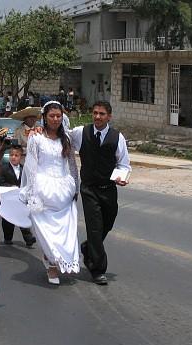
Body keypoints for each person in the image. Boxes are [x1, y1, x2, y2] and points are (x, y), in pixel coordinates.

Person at [69, 100, 131, 285]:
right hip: (89, 189)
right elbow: (62, 138)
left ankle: (88, 248)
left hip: (108, 189)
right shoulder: (81, 132)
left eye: (101, 114)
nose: (97, 116)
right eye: (95, 113)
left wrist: (122, 177)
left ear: (109, 116)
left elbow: (123, 163)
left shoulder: (117, 137)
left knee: (107, 224)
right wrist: (41, 130)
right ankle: (97, 269)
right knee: (94, 227)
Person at [20, 101, 80, 285]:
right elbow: (31, 166)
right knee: (46, 231)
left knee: (65, 230)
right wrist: (31, 192)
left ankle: (58, 260)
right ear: (45, 117)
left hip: (64, 189)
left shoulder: (66, 139)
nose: (55, 119)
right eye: (52, 116)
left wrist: (76, 186)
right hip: (43, 188)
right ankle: (51, 264)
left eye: (58, 116)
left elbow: (71, 164)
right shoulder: (36, 138)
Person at [0, 145, 36, 246]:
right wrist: (12, 187)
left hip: (20, 198)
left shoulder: (24, 169)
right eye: (11, 155)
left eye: (16, 155)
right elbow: (1, 182)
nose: (13, 157)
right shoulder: (3, 168)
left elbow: (27, 182)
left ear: (21, 157)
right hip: (8, 198)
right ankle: (8, 238)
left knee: (22, 216)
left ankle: (28, 238)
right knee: (8, 219)